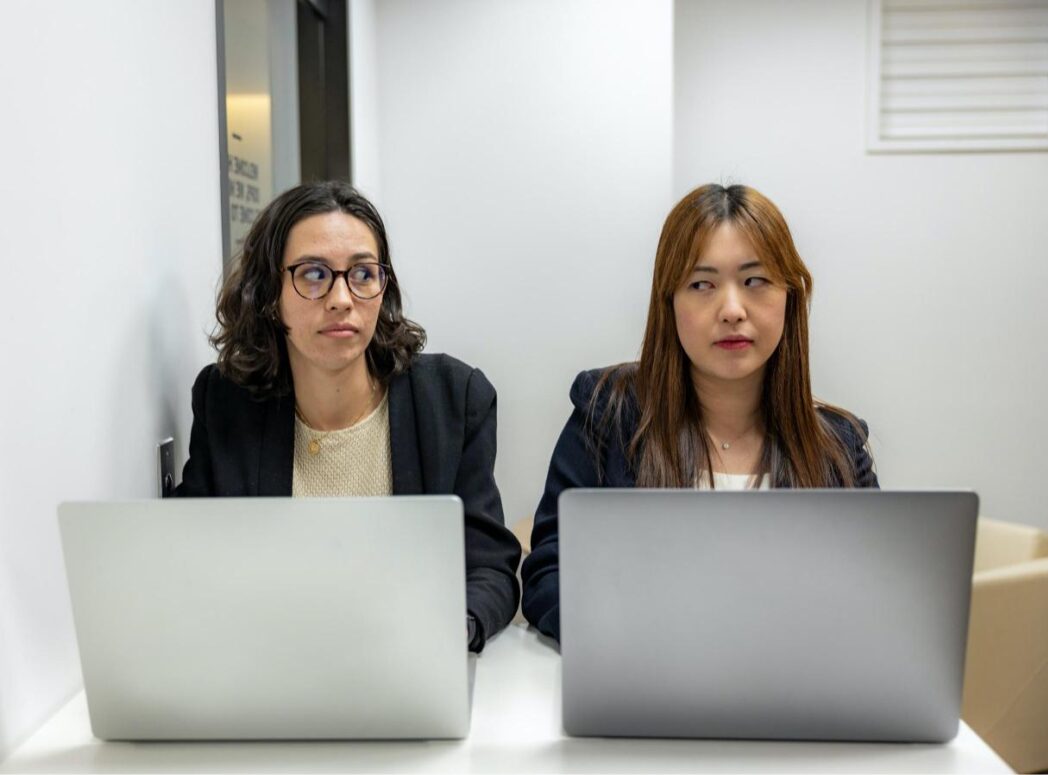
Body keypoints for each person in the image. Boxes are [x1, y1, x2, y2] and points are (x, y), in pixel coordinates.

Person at [521, 183, 878, 642]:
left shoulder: (839, 447)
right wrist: (634, 636)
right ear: (669, 302)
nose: (731, 310)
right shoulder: (608, 412)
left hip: (794, 696)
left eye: (755, 281)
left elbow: (874, 598)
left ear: (790, 296)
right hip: (647, 686)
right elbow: (550, 574)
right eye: (701, 285)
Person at [176, 180, 521, 652]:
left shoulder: (452, 400)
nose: (341, 298)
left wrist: (450, 630)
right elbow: (187, 560)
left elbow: (489, 568)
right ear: (269, 294)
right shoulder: (225, 404)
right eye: (314, 274)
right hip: (269, 666)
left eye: (362, 274)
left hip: (407, 668)